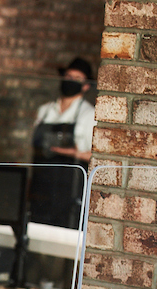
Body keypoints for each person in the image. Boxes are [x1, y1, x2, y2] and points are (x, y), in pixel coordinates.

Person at [28, 57, 95, 229]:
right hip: (40, 188)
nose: (70, 81)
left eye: (77, 78)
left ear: (86, 86)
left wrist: (71, 152)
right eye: (68, 76)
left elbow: (95, 157)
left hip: (69, 192)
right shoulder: (45, 110)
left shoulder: (89, 114)